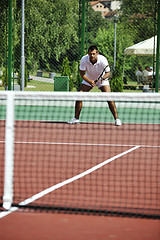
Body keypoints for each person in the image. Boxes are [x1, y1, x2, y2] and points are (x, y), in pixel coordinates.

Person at [68, 45, 121, 126]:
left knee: (109, 97)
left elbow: (108, 72)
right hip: (89, 79)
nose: (92, 56)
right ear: (88, 53)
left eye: (93, 54)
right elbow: (82, 73)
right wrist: (89, 81)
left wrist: (103, 78)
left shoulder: (103, 60)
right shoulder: (84, 59)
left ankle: (117, 119)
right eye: (90, 54)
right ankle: (76, 118)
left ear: (97, 53)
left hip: (102, 80)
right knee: (79, 95)